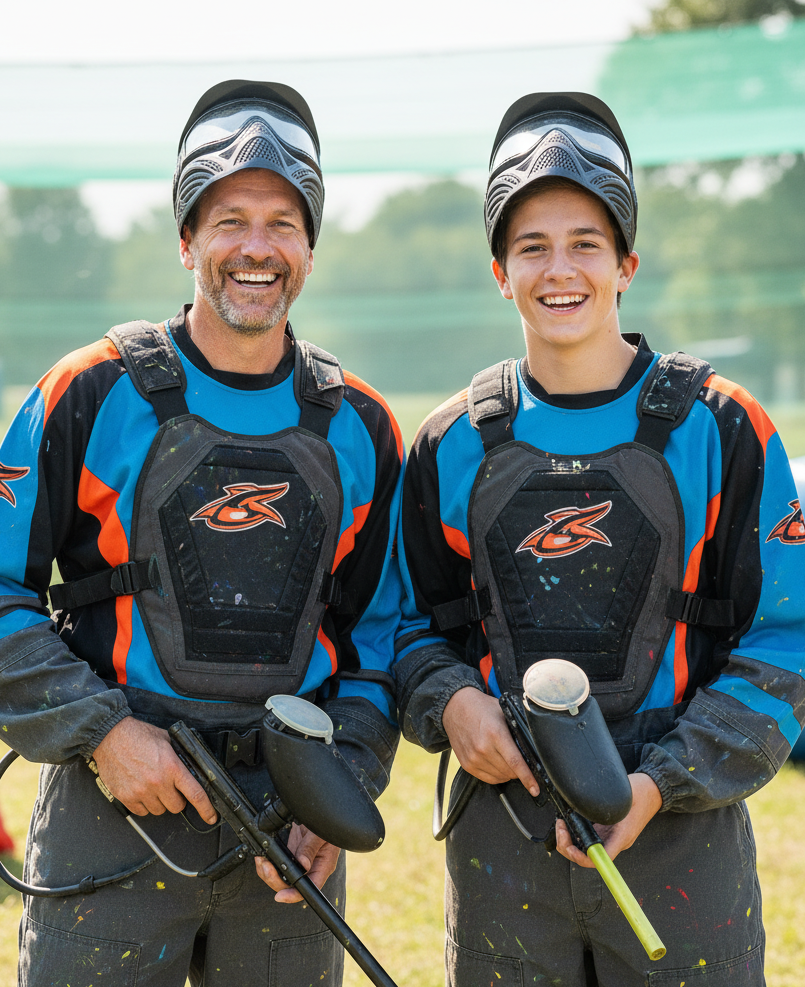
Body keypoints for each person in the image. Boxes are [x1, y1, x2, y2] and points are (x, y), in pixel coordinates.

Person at [394, 91, 805, 986]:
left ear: (626, 261)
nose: (559, 270)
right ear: (499, 271)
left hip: (683, 837)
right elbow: (402, 622)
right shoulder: (450, 441)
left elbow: (786, 634)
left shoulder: (724, 429)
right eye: (530, 246)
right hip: (503, 835)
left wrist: (661, 781)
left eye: (585, 242)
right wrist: (453, 704)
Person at [0, 79, 402, 987]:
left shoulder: (361, 427)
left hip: (288, 837)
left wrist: (340, 782)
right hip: (112, 808)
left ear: (308, 249)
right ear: (187, 240)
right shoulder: (91, 391)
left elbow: (383, 635)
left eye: (281, 223)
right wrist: (103, 732)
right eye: (228, 220)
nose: (255, 248)